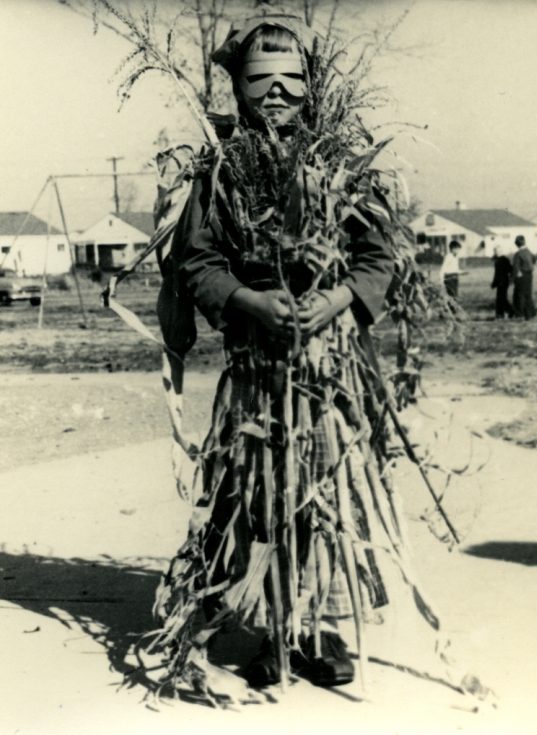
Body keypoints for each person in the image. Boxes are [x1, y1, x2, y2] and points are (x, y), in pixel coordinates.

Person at [145, 15, 411, 696]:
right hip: (256, 370)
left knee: (322, 491)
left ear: (312, 87)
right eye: (260, 80)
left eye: (291, 80)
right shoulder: (220, 172)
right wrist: (249, 301)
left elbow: (381, 256)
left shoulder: (340, 166)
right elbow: (197, 262)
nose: (277, 94)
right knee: (260, 495)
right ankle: (270, 629)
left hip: (326, 374)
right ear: (237, 87)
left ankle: (318, 629)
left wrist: (340, 297)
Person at [511, 235, 537, 320]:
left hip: (521, 276)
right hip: (529, 275)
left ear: (516, 244)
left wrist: (512, 279)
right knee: (528, 295)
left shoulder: (518, 254)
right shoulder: (528, 252)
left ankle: (520, 314)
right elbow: (534, 259)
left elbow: (515, 268)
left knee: (519, 296)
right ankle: (531, 313)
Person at [489, 240, 515, 319]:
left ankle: (507, 312)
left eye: (496, 251)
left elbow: (497, 274)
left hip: (502, 282)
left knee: (501, 299)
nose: (495, 252)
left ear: (500, 251)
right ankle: (502, 314)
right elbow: (510, 269)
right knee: (501, 299)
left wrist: (494, 283)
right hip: (504, 281)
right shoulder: (504, 259)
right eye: (494, 251)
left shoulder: (500, 260)